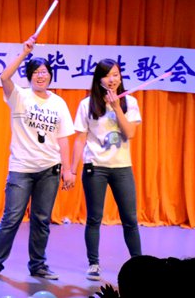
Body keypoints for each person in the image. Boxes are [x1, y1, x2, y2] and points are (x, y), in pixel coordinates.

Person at [0, 36, 75, 281]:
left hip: (49, 170)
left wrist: (68, 170)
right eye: (35, 72)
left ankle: (38, 265)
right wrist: (24, 53)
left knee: (41, 220)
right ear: (29, 76)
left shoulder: (59, 103)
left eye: (44, 72)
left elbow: (64, 138)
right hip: (21, 168)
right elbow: (4, 77)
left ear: (50, 75)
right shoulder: (19, 96)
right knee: (12, 217)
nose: (40, 76)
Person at [72, 58, 142, 281]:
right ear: (99, 79)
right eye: (107, 75)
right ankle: (93, 264)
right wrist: (71, 169)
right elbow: (80, 139)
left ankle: (139, 264)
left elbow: (130, 133)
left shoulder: (130, 102)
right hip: (95, 167)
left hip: (122, 168)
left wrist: (116, 108)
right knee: (94, 218)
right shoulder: (87, 104)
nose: (112, 79)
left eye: (116, 75)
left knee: (130, 219)